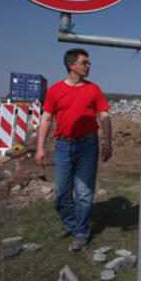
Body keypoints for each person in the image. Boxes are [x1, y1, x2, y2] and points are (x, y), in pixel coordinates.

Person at [36, 48, 112, 252]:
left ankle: (81, 233)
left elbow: (104, 115)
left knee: (84, 193)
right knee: (61, 192)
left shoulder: (93, 89)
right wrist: (40, 148)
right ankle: (69, 224)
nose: (88, 66)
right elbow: (46, 119)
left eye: (88, 63)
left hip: (88, 145)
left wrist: (108, 142)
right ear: (71, 65)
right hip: (63, 146)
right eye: (84, 62)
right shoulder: (55, 90)